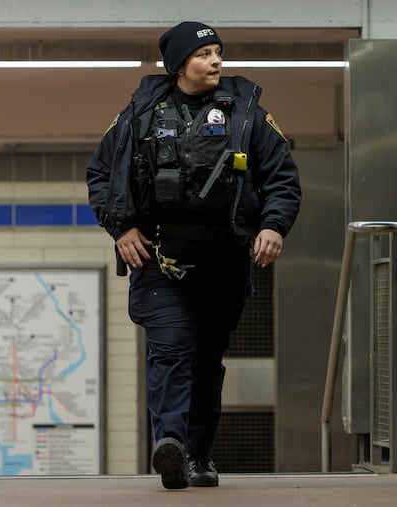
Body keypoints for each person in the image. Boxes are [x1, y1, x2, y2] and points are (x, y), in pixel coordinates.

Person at [87, 21, 301, 489]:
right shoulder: (139, 114)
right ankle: (170, 442)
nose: (216, 61)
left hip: (224, 256)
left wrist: (272, 226)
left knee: (206, 360)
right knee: (170, 349)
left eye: (219, 52)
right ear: (179, 64)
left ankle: (198, 455)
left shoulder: (247, 114)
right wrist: (121, 228)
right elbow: (101, 173)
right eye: (205, 54)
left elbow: (282, 177)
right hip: (160, 256)